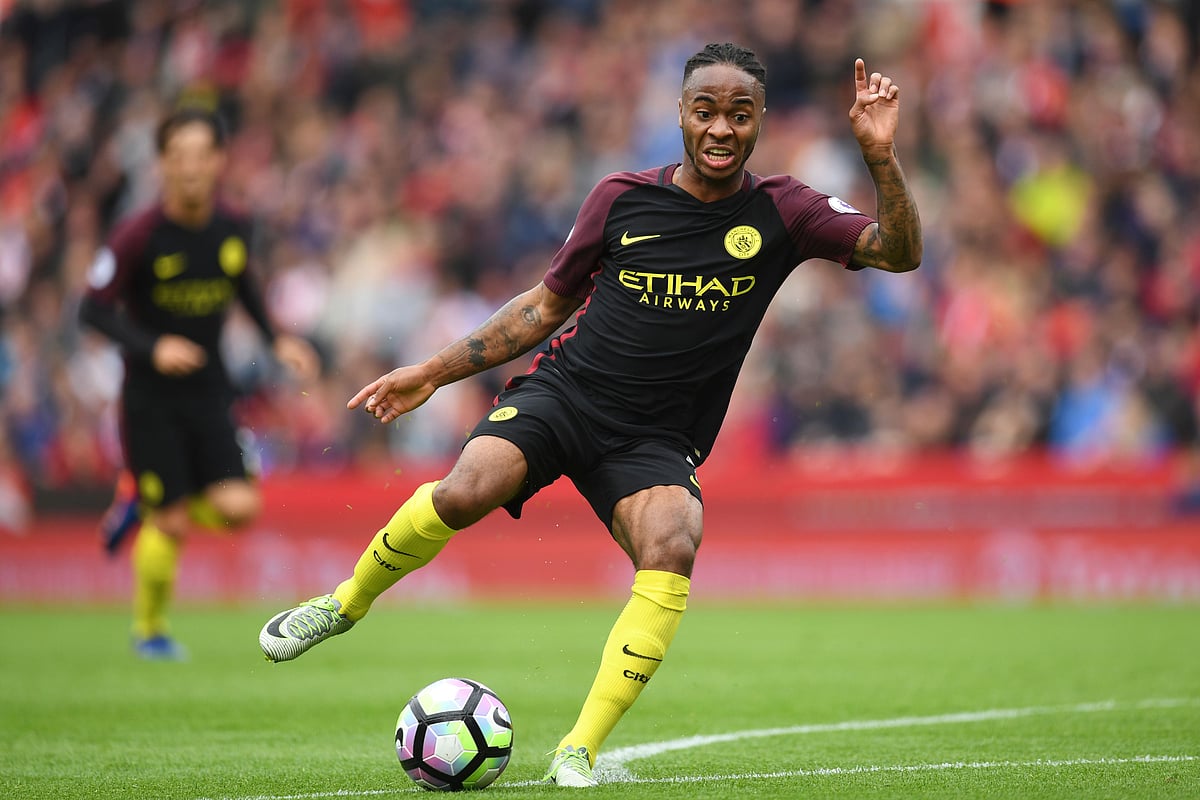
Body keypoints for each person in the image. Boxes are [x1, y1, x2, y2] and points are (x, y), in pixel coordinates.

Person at [259, 43, 921, 786]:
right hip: (565, 395)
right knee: (463, 490)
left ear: (760, 121)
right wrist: (433, 374)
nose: (721, 129)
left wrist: (881, 157)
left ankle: (577, 749)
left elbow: (899, 252)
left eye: (740, 115)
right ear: (680, 113)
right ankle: (343, 605)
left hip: (654, 438)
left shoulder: (785, 210)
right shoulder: (621, 196)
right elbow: (544, 308)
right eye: (705, 111)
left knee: (672, 543)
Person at [80, 106, 318, 661]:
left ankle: (140, 502)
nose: (190, 167)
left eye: (200, 155)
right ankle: (150, 630)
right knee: (174, 523)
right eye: (177, 155)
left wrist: (275, 336)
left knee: (240, 508)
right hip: (150, 397)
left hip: (210, 391)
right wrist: (152, 346)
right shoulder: (137, 235)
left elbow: (242, 281)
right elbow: (92, 311)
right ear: (162, 162)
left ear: (219, 161)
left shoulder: (233, 225)